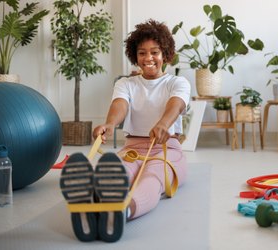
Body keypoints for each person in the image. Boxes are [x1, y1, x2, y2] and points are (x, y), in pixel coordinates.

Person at [60, 19, 191, 243]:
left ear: (165, 54)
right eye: (142, 53)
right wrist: (109, 124)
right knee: (119, 172)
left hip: (166, 148)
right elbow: (120, 105)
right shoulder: (126, 83)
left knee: (151, 178)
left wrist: (163, 124)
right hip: (132, 148)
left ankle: (121, 212)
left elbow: (176, 104)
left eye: (155, 52)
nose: (148, 58)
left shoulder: (178, 82)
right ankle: (91, 204)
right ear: (135, 55)